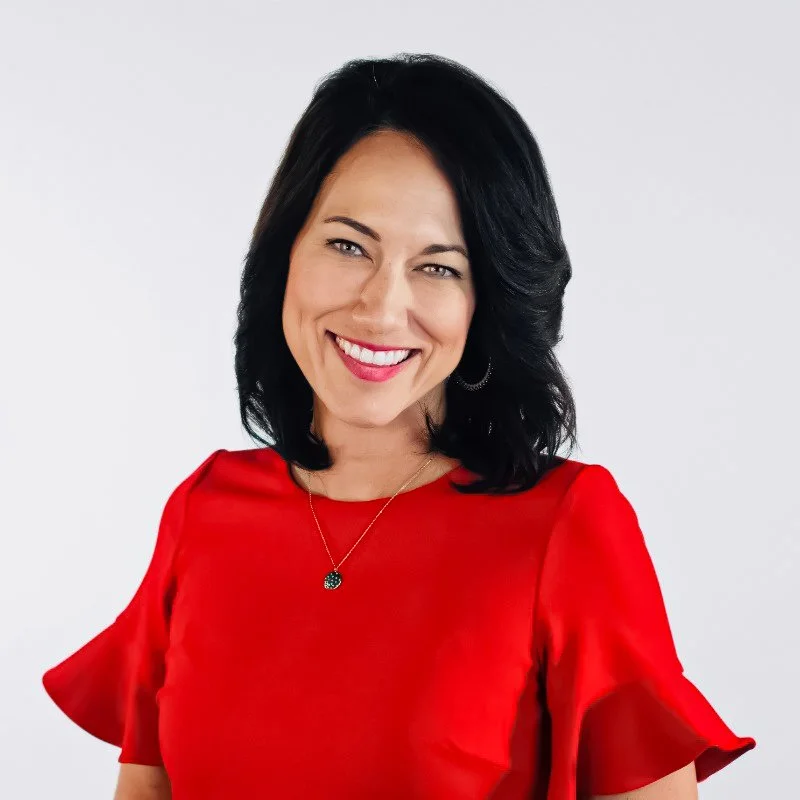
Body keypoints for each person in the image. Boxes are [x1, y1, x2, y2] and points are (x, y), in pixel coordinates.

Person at [42, 53, 755, 799]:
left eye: (439, 267)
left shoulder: (567, 525)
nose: (382, 308)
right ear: (287, 250)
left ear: (489, 301)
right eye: (349, 245)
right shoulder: (204, 510)